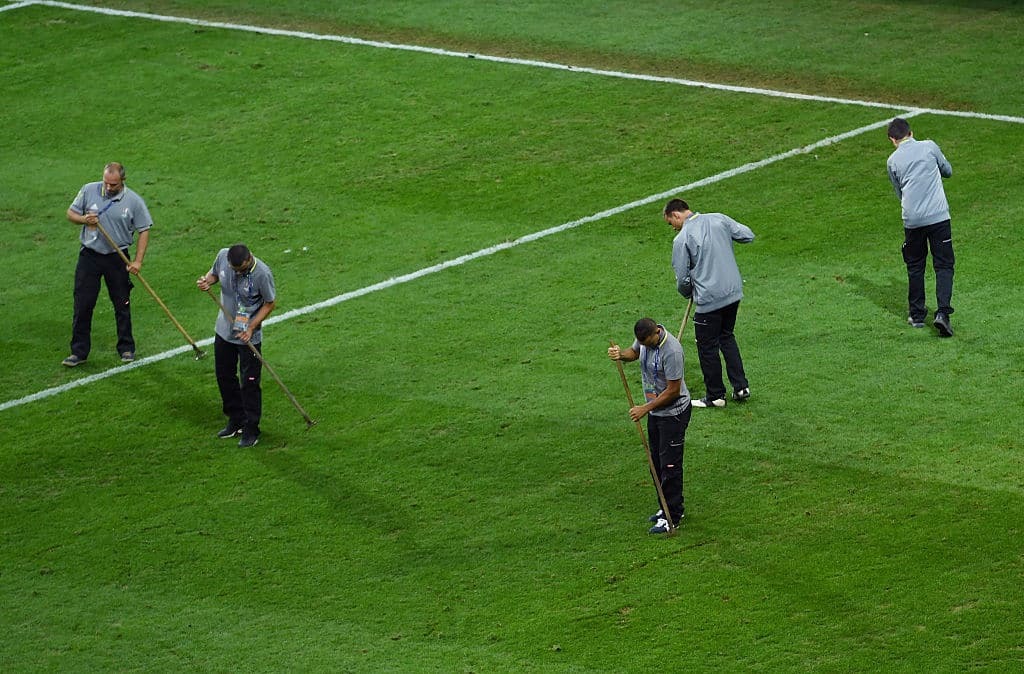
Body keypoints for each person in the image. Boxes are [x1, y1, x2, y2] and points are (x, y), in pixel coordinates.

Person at [664, 198, 754, 408]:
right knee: (726, 337)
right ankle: (741, 387)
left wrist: (689, 293)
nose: (672, 228)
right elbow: (747, 235)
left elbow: (682, 279)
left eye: (671, 223)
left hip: (709, 300)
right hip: (733, 293)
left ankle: (715, 396)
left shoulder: (682, 238)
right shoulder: (719, 219)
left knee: (706, 346)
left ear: (676, 215)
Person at [63, 162, 152, 367]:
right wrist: (84, 219)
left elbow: (144, 229)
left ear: (122, 181)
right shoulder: (88, 189)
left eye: (114, 184)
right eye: (106, 183)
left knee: (122, 304)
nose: (109, 188)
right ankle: (78, 352)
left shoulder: (134, 201)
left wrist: (137, 261)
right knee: (83, 304)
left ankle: (127, 348)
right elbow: (70, 214)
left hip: (117, 257)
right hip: (89, 256)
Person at [608, 318, 692, 535]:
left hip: (673, 414)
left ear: (656, 333)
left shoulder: (672, 351)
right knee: (656, 462)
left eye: (646, 343)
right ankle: (666, 507)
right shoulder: (645, 341)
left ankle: (671, 516)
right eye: (641, 343)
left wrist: (645, 408)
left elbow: (673, 391)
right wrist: (621, 354)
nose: (643, 346)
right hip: (656, 412)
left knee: (670, 466)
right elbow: (633, 353)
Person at [196, 244, 277, 448]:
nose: (237, 273)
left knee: (249, 382)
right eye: (234, 270)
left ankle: (251, 428)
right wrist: (207, 282)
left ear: (249, 259)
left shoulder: (262, 274)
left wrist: (251, 327)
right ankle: (235, 418)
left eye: (240, 270)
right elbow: (214, 274)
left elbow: (269, 303)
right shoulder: (224, 256)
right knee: (224, 376)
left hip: (248, 336)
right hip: (224, 330)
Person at [886, 117, 955, 337]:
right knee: (943, 265)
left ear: (892, 140)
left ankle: (916, 315)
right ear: (911, 133)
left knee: (915, 266)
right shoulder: (929, 147)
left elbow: (900, 193)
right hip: (938, 217)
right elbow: (948, 171)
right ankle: (942, 313)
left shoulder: (892, 161)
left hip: (912, 221)